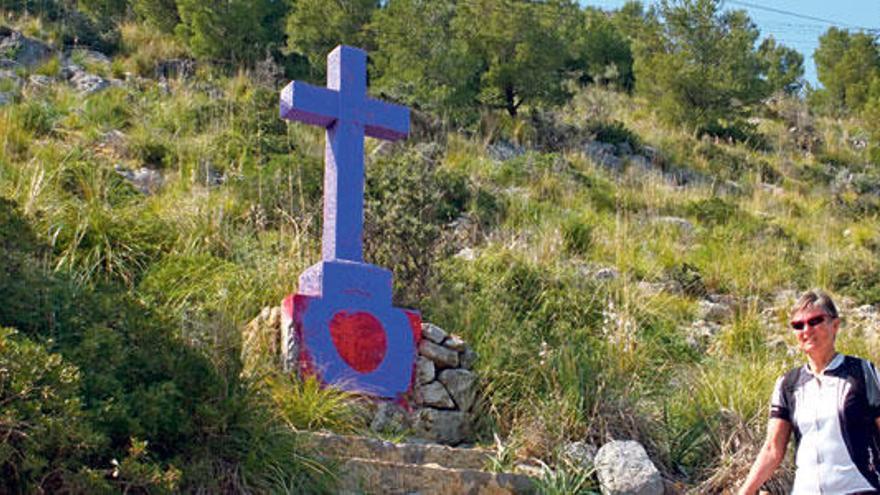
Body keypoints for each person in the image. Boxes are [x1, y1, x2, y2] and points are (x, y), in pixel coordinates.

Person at [739, 289, 880, 495]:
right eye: (798, 325)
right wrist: (745, 492)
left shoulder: (863, 372)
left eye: (815, 321)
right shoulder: (787, 384)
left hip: (859, 489)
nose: (806, 330)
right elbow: (772, 449)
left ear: (835, 325)